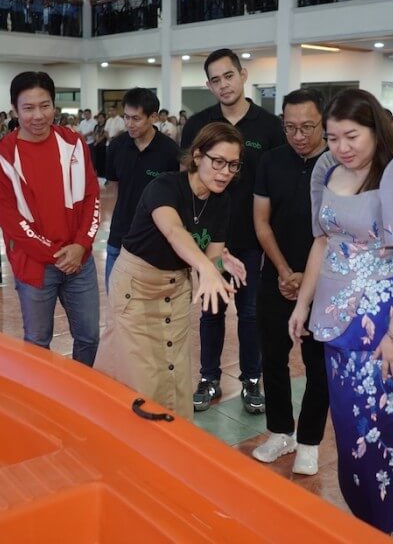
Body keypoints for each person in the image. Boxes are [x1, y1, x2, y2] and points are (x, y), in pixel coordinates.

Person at [287, 89, 393, 533]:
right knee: (350, 428)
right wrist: (303, 303)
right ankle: (366, 517)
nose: (342, 147)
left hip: (386, 319)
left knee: (383, 427)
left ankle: (383, 520)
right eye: (332, 137)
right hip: (337, 319)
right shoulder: (329, 172)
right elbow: (322, 241)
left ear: (375, 130)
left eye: (352, 135)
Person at [95, 122, 247, 420]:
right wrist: (205, 265)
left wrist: (217, 265)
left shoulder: (222, 202)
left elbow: (212, 255)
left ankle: (170, 447)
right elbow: (174, 232)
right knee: (138, 376)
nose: (225, 172)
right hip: (137, 287)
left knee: (174, 375)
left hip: (175, 288)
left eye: (233, 165)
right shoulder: (164, 186)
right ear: (198, 155)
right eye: (218, 161)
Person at [181, 48, 285, 415]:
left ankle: (251, 379)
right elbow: (186, 181)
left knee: (251, 312)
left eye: (228, 76)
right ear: (208, 86)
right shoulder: (198, 126)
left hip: (251, 239)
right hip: (209, 241)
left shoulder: (269, 126)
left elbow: (277, 186)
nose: (223, 85)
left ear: (242, 75)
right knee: (211, 310)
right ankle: (209, 377)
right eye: (214, 80)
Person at [0, 71, 101, 365]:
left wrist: (80, 246)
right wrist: (57, 255)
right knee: (38, 343)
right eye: (28, 108)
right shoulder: (1, 157)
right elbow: (11, 220)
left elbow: (91, 198)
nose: (38, 115)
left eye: (45, 105)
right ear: (14, 109)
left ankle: (80, 390)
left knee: (89, 336)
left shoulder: (74, 144)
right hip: (35, 266)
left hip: (80, 260)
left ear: (54, 105)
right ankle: (43, 401)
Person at [251, 89, 330, 476]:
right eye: (290, 127)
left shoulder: (337, 165)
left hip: (327, 280)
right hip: (277, 277)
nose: (298, 136)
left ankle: (310, 441)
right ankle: (280, 431)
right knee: (274, 357)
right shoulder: (271, 161)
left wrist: (307, 281)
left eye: (307, 127)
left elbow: (336, 232)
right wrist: (284, 272)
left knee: (319, 364)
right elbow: (261, 222)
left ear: (324, 124)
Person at [104, 88, 180, 288]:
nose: (129, 124)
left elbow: (175, 197)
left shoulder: (170, 151)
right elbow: (113, 188)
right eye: (126, 117)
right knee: (115, 298)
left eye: (136, 119)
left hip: (153, 240)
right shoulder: (117, 146)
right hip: (119, 237)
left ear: (153, 117)